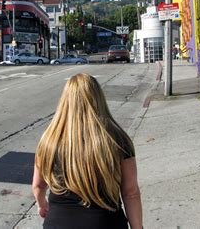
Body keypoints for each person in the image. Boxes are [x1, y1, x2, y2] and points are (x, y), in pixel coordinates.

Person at [32, 73, 143, 229]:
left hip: (58, 222)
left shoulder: (48, 140)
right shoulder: (116, 139)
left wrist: (42, 205)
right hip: (105, 223)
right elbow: (130, 192)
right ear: (98, 99)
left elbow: (38, 185)